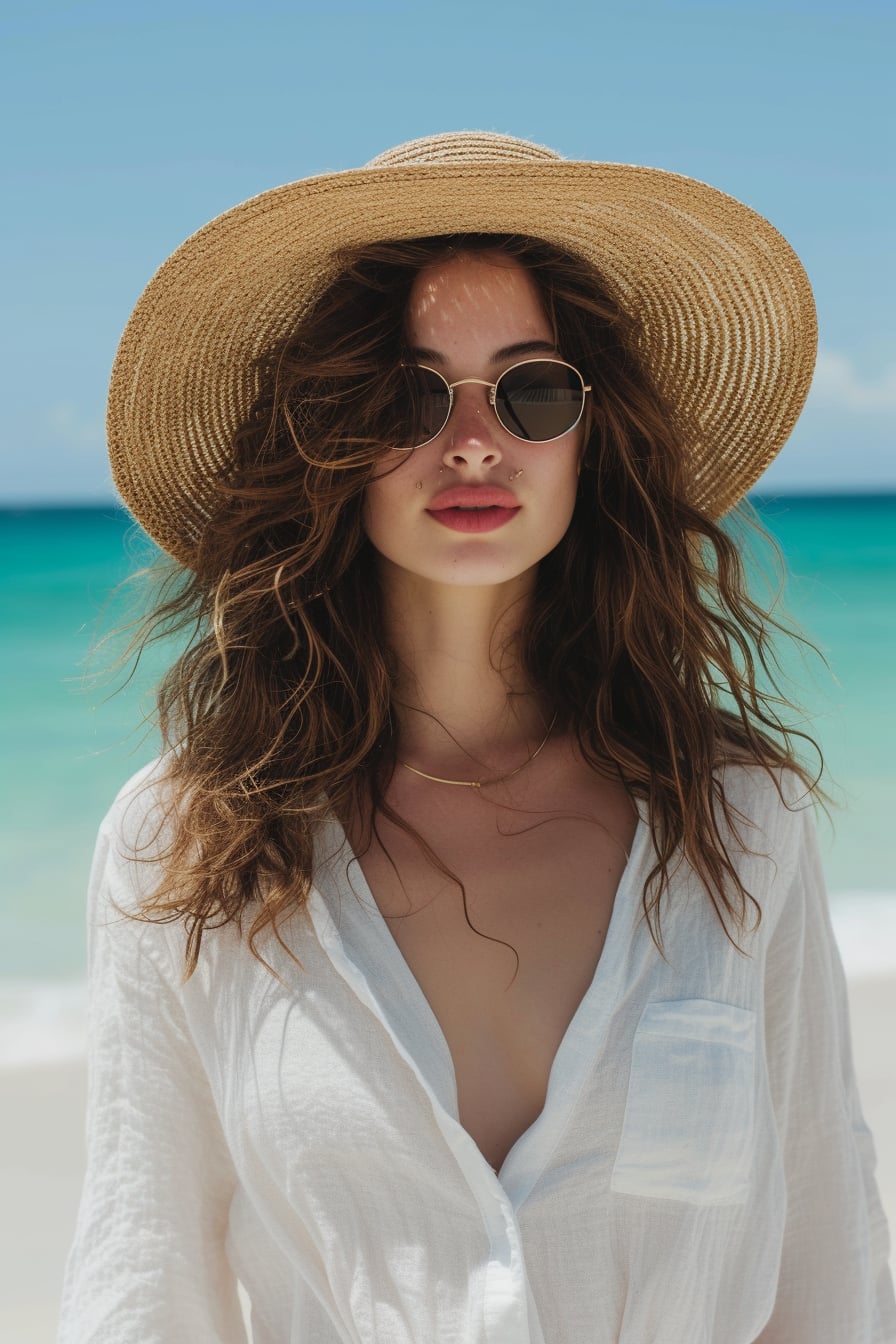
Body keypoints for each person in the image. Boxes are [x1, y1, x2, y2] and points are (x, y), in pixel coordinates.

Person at [58, 133, 895, 1343]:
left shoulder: (735, 818)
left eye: (530, 390)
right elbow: (145, 1285)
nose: (470, 442)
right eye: (404, 396)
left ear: (588, 435)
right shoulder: (182, 842)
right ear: (327, 440)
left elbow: (828, 1273)